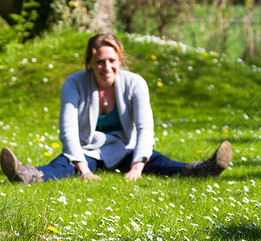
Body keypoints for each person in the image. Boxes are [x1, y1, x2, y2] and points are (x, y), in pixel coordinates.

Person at [1, 33, 232, 184]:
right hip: (89, 149)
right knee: (63, 165)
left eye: (112, 60)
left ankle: (203, 169)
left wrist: (138, 166)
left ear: (120, 60)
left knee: (160, 162)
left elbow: (144, 128)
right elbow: (68, 131)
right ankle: (26, 175)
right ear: (90, 63)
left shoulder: (135, 83)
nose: (106, 67)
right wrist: (84, 170)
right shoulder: (74, 83)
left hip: (126, 148)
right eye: (100, 62)